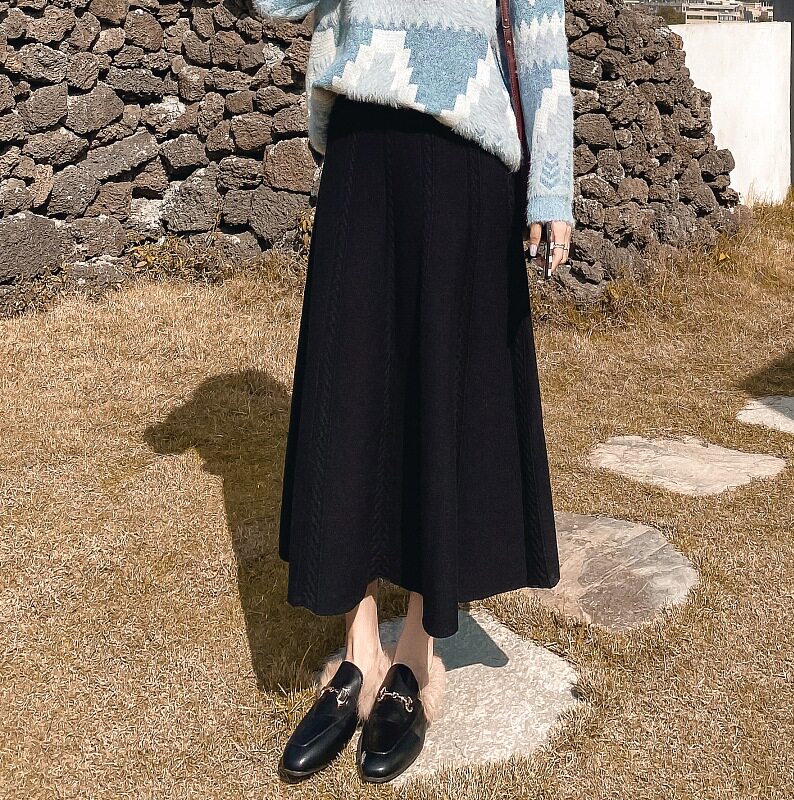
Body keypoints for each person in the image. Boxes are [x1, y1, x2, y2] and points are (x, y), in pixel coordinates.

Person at [252, 0, 574, 784]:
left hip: (466, 149)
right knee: (349, 396)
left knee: (444, 399)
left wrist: (552, 189)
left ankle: (419, 658)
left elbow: (540, 34)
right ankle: (359, 651)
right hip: (362, 141)